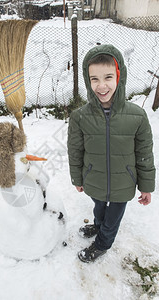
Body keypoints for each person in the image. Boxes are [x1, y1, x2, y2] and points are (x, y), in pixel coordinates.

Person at [67, 44, 155, 263]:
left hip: (123, 183)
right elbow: (75, 151)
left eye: (108, 77)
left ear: (119, 77)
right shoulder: (79, 117)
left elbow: (144, 153)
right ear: (88, 82)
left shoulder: (137, 116)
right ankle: (97, 225)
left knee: (113, 218)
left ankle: (103, 244)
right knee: (98, 207)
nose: (102, 85)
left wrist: (146, 186)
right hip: (94, 179)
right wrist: (78, 178)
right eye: (94, 79)